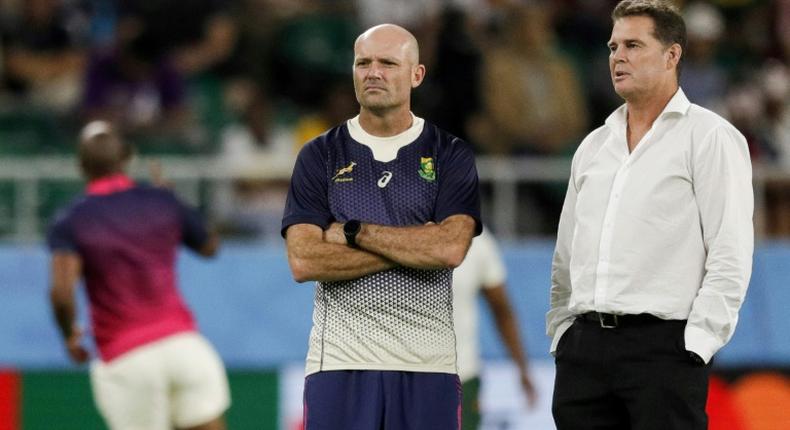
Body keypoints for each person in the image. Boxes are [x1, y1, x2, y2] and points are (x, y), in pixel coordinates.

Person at [547, 1, 754, 429]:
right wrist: (563, 332)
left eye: (633, 45)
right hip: (583, 353)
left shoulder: (710, 137)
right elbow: (566, 254)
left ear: (671, 55)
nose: (617, 56)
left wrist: (696, 344)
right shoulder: (592, 146)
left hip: (664, 349)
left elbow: (730, 253)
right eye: (613, 46)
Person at [281, 24, 481, 429]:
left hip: (428, 363)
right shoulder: (319, 154)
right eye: (363, 63)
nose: (373, 72)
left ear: (416, 75)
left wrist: (354, 232)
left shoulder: (450, 154)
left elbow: (449, 251)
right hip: (339, 362)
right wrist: (415, 246)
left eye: (388, 63)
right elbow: (303, 260)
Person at [47, 121, 230, 430]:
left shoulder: (72, 220)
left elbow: (62, 293)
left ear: (80, 166)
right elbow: (210, 246)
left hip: (127, 360)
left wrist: (69, 335)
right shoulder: (163, 201)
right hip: (185, 347)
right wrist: (175, 203)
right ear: (127, 157)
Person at [452, 227, 537, 429]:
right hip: (402, 374)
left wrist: (522, 369)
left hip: (461, 375)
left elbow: (501, 310)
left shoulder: (477, 239)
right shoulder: (396, 228)